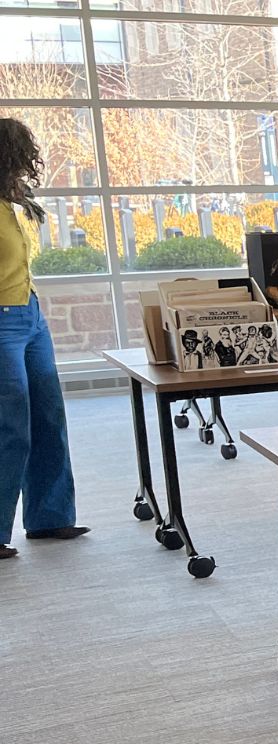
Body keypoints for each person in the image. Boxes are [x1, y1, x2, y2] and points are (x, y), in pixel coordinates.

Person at [0, 118, 86, 562]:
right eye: (17, 159)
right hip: (0, 322)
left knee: (49, 416)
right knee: (10, 426)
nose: (24, 169)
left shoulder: (13, 205)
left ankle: (50, 516)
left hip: (31, 317)